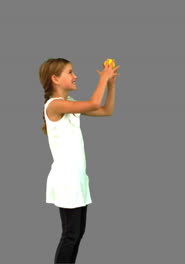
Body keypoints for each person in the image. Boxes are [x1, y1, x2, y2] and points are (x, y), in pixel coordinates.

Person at [39, 58, 120, 263]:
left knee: (77, 234)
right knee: (70, 235)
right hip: (66, 181)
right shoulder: (55, 105)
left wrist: (111, 85)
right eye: (70, 72)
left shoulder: (70, 104)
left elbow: (105, 110)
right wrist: (103, 78)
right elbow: (94, 103)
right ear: (55, 79)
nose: (75, 76)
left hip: (77, 180)